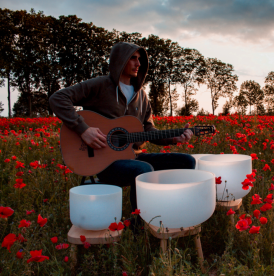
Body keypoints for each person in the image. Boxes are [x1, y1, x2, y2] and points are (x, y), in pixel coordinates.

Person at [49, 42, 196, 229]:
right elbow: (58, 98)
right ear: (120, 61)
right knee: (142, 169)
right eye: (132, 58)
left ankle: (172, 213)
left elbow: (148, 130)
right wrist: (83, 129)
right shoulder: (100, 85)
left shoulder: (142, 95)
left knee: (187, 161)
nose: (138, 63)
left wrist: (173, 138)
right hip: (103, 162)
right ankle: (139, 224)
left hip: (130, 156)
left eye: (139, 59)